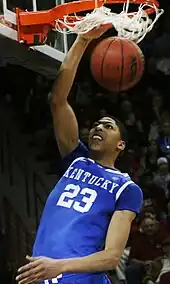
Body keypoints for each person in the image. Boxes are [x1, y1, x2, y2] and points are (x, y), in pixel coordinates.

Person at [16, 27, 143, 284]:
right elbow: (58, 100)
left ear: (121, 145)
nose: (99, 127)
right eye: (97, 124)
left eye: (108, 126)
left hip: (79, 278)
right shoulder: (76, 160)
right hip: (44, 276)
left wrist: (60, 267)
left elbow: (111, 257)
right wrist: (83, 40)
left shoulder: (127, 188)